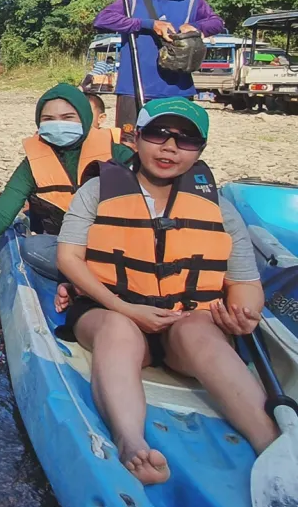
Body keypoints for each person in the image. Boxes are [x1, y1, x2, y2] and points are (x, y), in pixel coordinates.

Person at [55, 99, 274, 485]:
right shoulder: (97, 191)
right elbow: (69, 258)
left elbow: (245, 283)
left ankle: (273, 445)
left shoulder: (219, 209)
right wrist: (124, 308)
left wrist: (244, 315)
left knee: (198, 330)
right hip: (111, 310)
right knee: (118, 330)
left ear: (200, 150)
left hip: (184, 323)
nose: (170, 147)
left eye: (186, 140)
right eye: (158, 134)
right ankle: (131, 442)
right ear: (136, 138)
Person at [0, 83, 135, 284]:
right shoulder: (33, 163)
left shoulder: (119, 154)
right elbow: (2, 212)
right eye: (48, 119)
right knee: (33, 246)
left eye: (68, 117)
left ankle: (95, 279)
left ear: (85, 117)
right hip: (70, 250)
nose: (58, 124)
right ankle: (87, 280)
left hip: (119, 247)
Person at [94, 0, 226, 138]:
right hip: (134, 87)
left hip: (178, 90)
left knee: (175, 142)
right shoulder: (132, 0)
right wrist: (149, 24)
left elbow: (217, 23)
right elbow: (102, 20)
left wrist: (196, 26)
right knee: (129, 143)